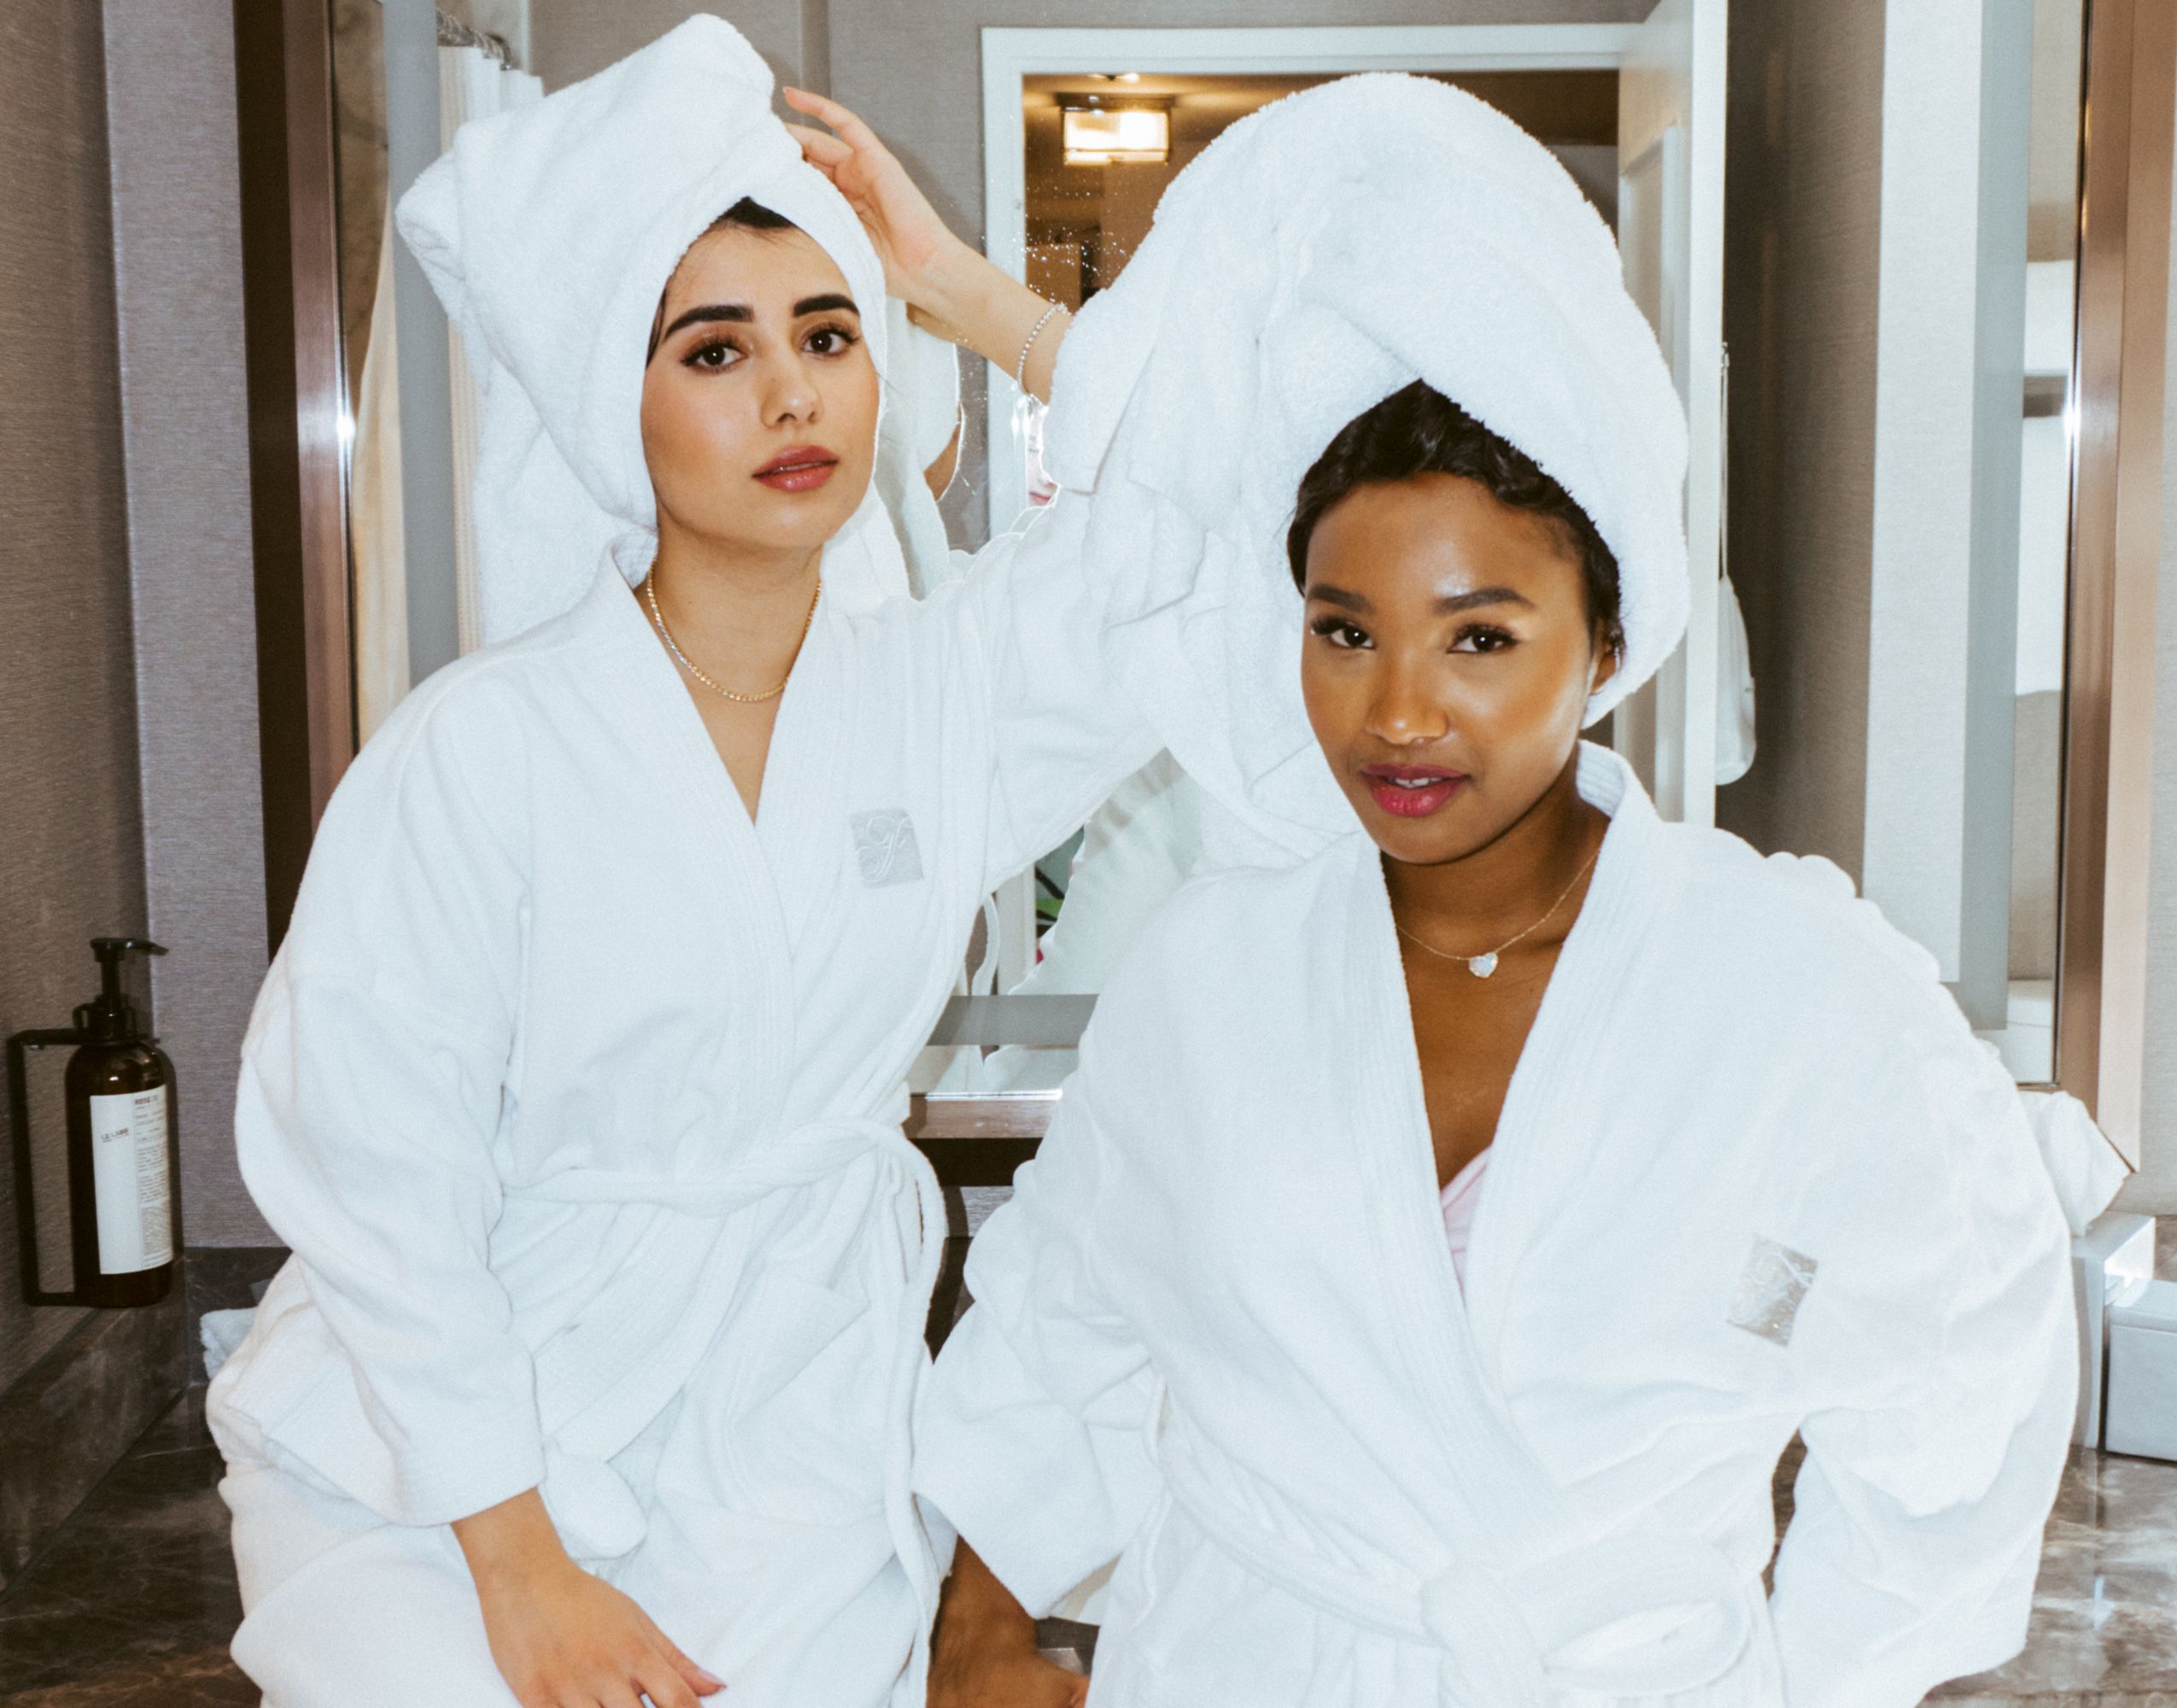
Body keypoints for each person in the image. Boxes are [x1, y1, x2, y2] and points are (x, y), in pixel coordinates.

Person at [914, 78, 2079, 1708]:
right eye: (1344, 630)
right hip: (1248, 1665)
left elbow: (1964, 1381)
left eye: (1479, 637)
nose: (1397, 712)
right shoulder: (1214, 977)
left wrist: (1813, 1679)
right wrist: (982, 1626)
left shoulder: (1799, 992)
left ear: (1605, 643)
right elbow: (1067, 1311)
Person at [206, 20, 1152, 1708]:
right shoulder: (480, 751)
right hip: (441, 1465)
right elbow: (371, 1166)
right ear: (612, 399)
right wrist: (521, 1571)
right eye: (716, 349)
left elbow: (1245, 515)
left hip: (793, 1446)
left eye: (831, 334)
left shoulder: (945, 700)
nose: (793, 392)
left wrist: (965, 292)